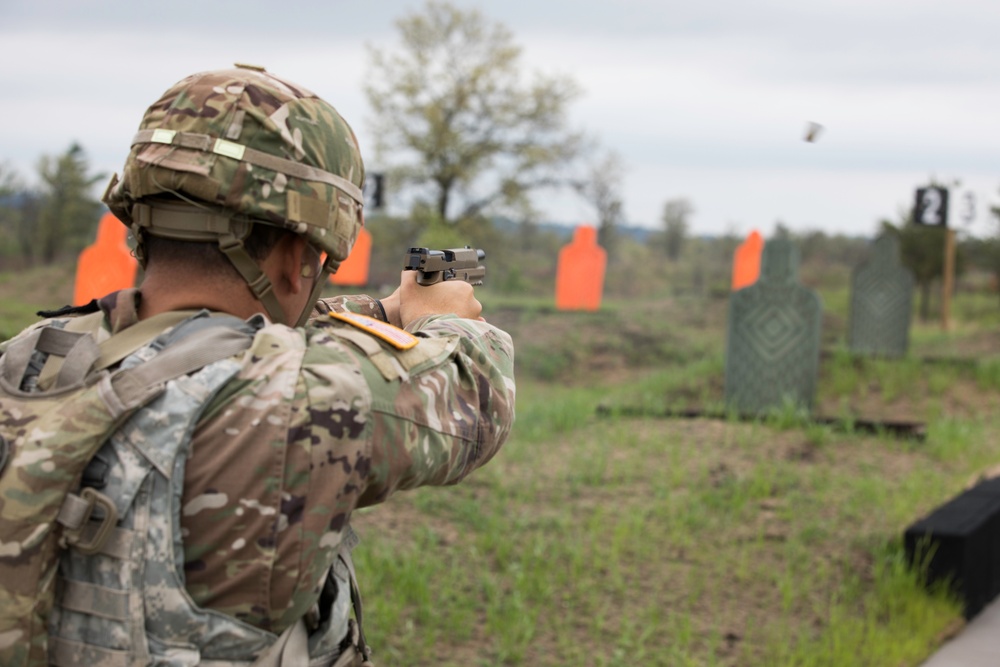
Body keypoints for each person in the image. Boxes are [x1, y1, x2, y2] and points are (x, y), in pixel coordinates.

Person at [5, 64, 515, 666]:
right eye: (318, 263)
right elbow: (475, 389)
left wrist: (384, 310)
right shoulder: (298, 401)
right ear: (301, 255)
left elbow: (212, 337)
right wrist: (447, 316)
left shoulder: (31, 356)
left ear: (140, 222)